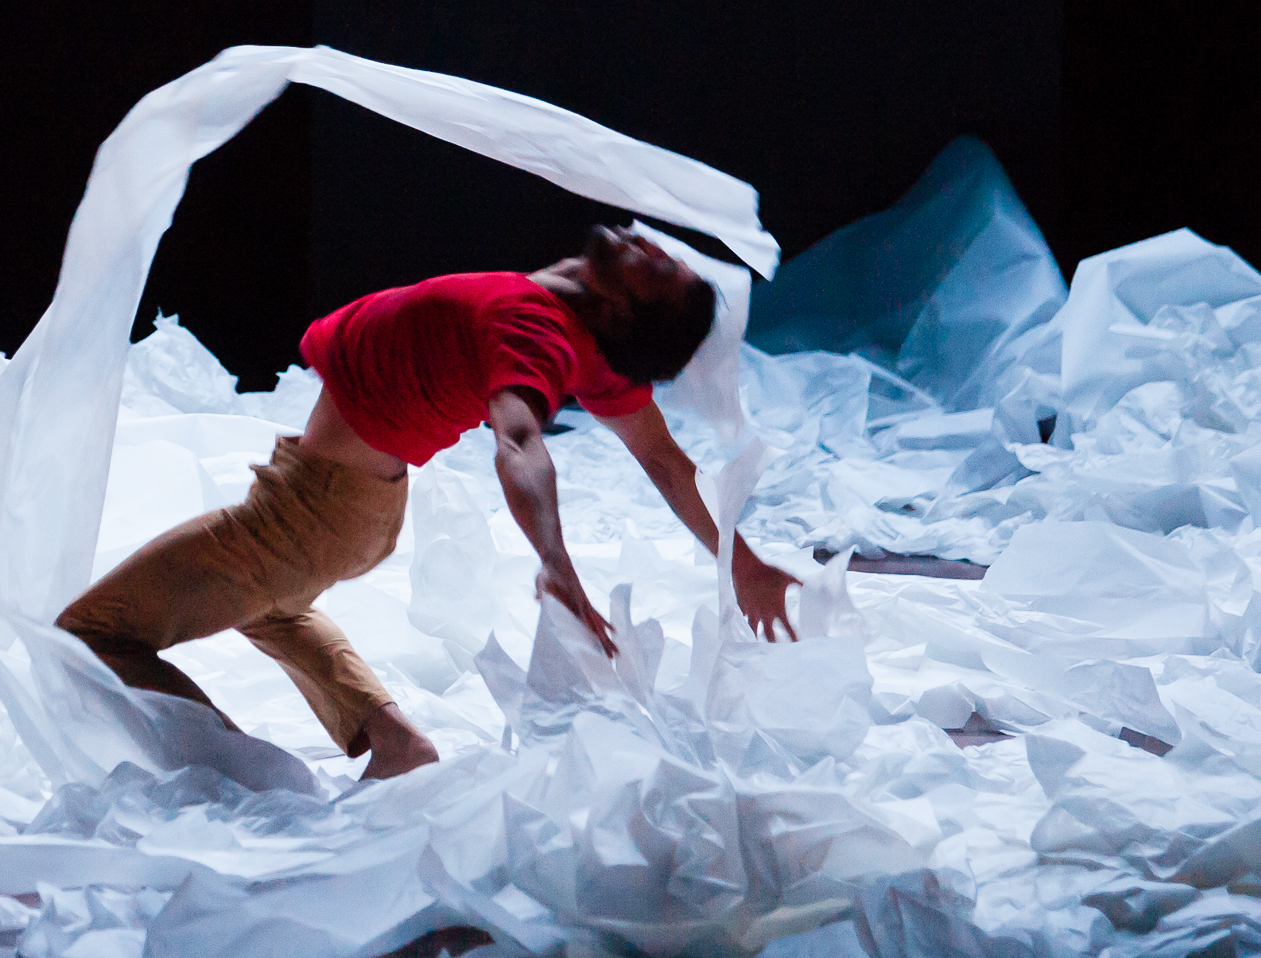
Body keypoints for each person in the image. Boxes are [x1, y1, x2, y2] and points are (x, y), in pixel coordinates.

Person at [57, 224, 799, 779]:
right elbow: (668, 464)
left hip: (314, 515)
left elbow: (521, 442)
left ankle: (232, 778)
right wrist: (745, 566)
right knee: (273, 605)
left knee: (91, 632)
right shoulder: (574, 322)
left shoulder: (538, 333)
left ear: (622, 312)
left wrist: (556, 562)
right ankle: (393, 742)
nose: (646, 242)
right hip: (340, 508)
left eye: (656, 269)